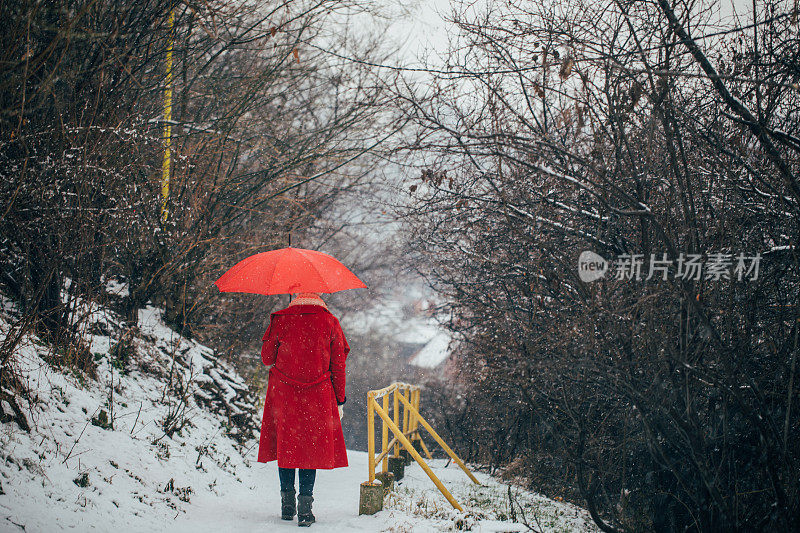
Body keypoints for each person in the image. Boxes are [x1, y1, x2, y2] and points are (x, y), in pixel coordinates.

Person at [257, 292, 349, 527]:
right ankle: (305, 510)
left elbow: (267, 358)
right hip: (317, 395)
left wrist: (276, 334)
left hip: (284, 393)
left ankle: (287, 505)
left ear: (296, 296)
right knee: (309, 450)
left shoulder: (280, 319)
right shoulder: (330, 322)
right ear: (319, 296)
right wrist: (339, 399)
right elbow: (338, 365)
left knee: (287, 445)